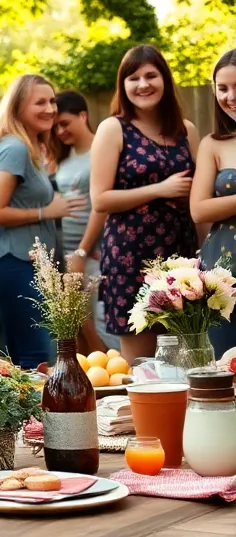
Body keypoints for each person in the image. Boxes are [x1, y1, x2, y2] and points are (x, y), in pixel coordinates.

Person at [91, 45, 199, 362]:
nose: (143, 84)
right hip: (130, 258)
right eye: (133, 78)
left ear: (165, 79)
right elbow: (100, 199)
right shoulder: (114, 129)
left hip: (181, 258)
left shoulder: (186, 130)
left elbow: (199, 194)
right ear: (122, 86)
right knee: (143, 367)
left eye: (151, 75)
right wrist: (161, 189)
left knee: (188, 360)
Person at [0, 74, 84, 369]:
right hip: (12, 262)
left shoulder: (30, 147)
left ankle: (24, 417)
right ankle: (41, 418)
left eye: (52, 101)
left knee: (21, 360)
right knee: (37, 358)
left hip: (25, 262)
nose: (50, 108)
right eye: (40, 102)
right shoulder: (14, 148)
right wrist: (46, 212)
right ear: (17, 107)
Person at [53, 91, 118, 352]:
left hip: (91, 252)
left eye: (65, 123)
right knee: (73, 329)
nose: (59, 131)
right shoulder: (62, 158)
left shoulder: (99, 152)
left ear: (83, 115)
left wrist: (82, 249)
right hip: (63, 252)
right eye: (55, 125)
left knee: (94, 327)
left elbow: (101, 207)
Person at [190, 49, 236, 357]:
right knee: (223, 370)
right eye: (223, 88)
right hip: (224, 274)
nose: (230, 96)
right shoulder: (213, 144)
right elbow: (199, 209)